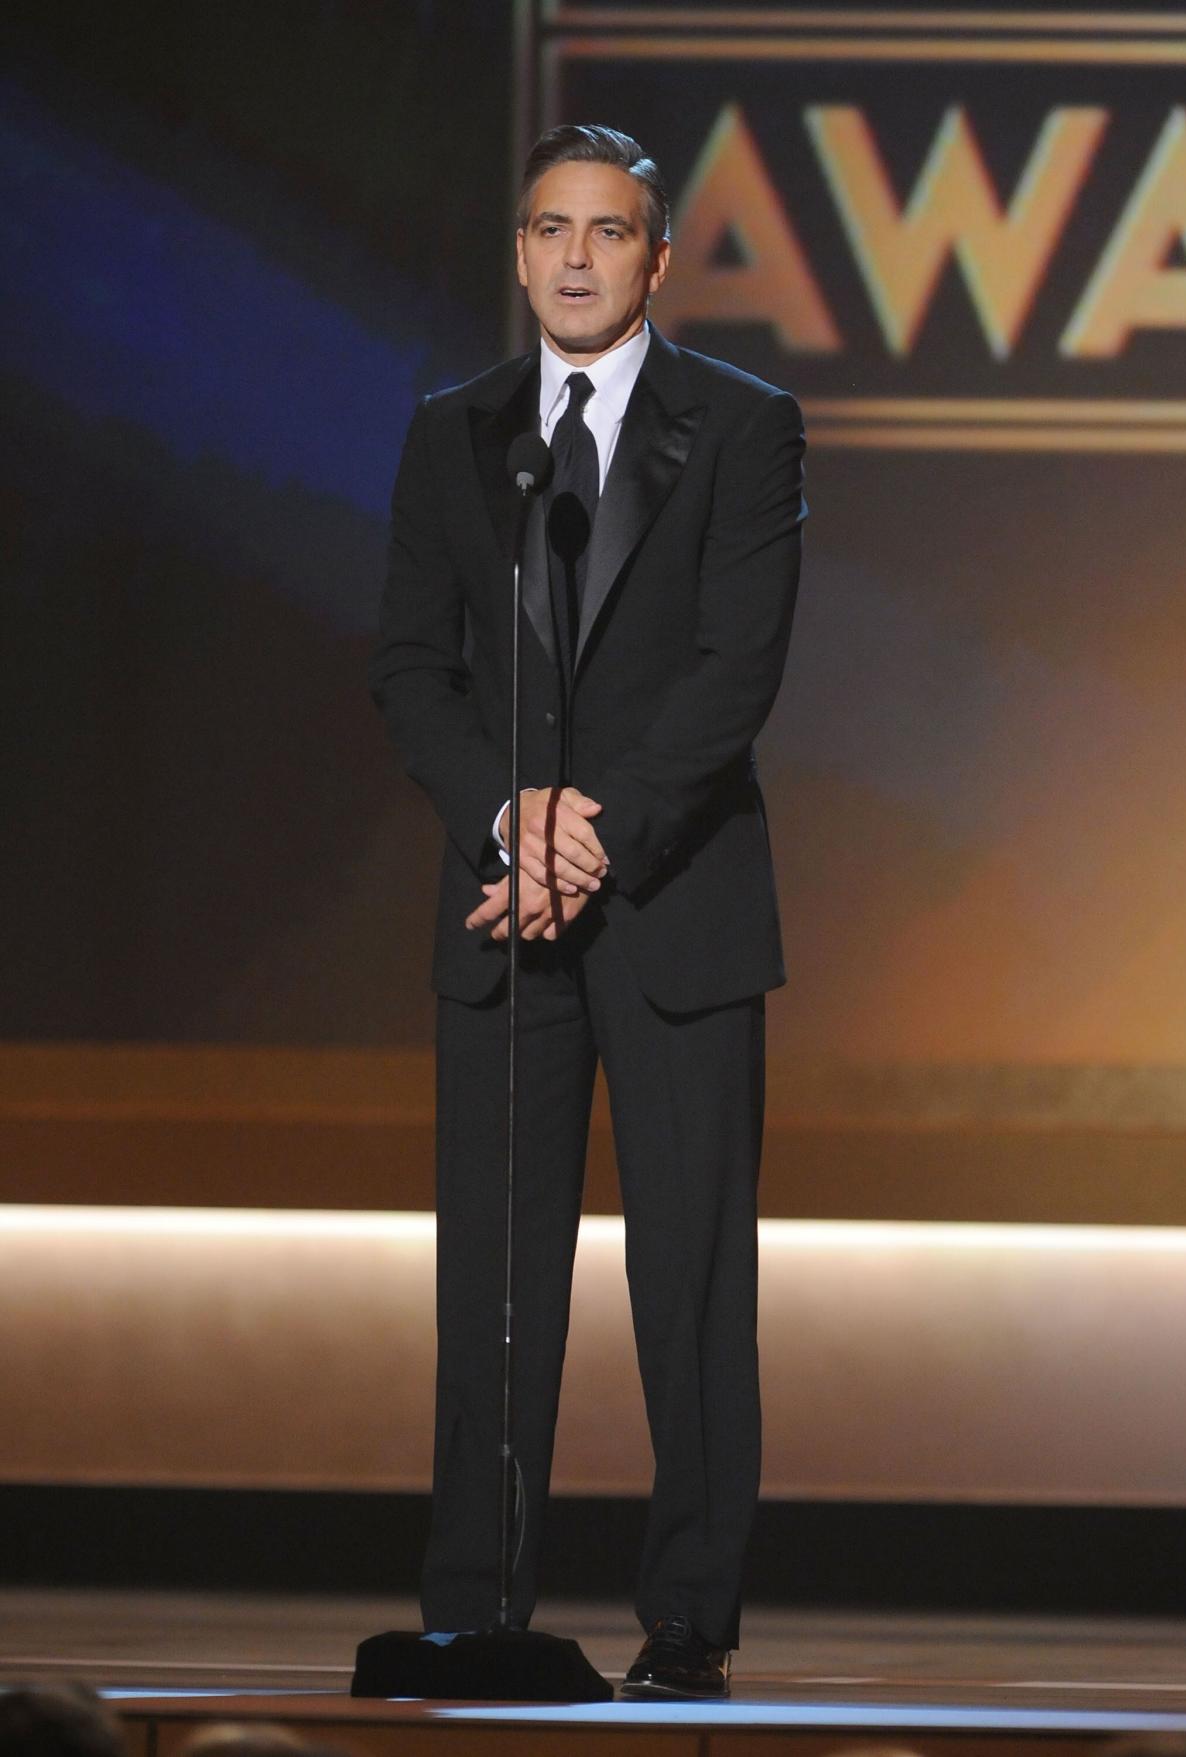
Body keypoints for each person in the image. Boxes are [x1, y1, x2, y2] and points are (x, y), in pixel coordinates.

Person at [370, 122, 805, 1699]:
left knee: (689, 1280)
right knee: (490, 1283)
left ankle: (687, 1621)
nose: (572, 256)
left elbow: (732, 669)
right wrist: (510, 820)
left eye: (605, 232)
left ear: (656, 255)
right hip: (501, 909)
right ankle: (474, 1613)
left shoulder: (744, 426)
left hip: (675, 902)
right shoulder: (453, 431)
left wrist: (590, 837)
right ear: (515, 247)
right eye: (547, 228)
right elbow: (411, 664)